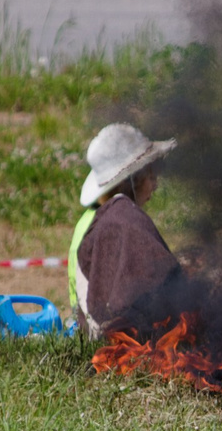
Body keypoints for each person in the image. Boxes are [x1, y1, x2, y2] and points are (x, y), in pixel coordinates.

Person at [71, 123, 180, 337]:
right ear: (132, 179)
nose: (155, 185)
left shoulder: (97, 217)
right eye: (150, 176)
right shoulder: (122, 219)